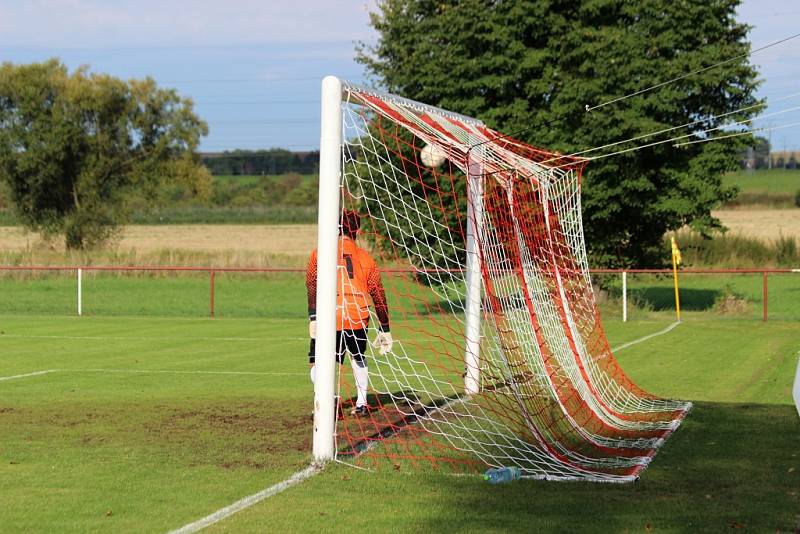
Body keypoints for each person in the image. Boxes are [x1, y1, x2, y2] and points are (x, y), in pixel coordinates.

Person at [306, 209, 393, 417]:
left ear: (336, 227)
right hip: (357, 315)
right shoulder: (366, 258)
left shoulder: (320, 253)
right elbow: (378, 295)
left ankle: (328, 401)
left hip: (330, 315)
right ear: (357, 230)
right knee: (358, 357)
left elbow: (311, 283)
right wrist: (385, 328)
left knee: (320, 361)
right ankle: (362, 404)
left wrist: (313, 316)